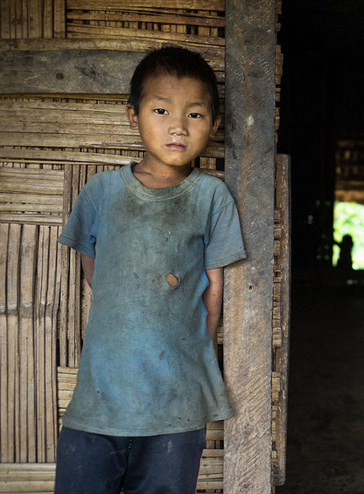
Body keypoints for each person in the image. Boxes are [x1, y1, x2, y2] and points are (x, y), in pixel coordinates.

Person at [54, 46, 247, 493]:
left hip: (175, 404)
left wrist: (184, 352)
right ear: (132, 115)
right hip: (98, 400)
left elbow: (212, 292)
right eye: (161, 109)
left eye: (195, 115)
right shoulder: (101, 191)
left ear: (214, 125)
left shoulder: (211, 198)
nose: (177, 126)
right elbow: (95, 270)